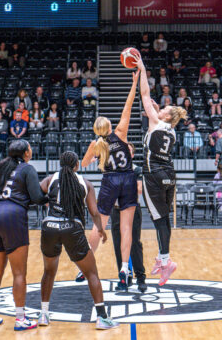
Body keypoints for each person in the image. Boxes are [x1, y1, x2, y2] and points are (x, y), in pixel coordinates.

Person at [37, 151, 118, 330]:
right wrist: (101, 230)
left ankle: (43, 314)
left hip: (49, 227)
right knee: (91, 274)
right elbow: (94, 212)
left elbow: (36, 194)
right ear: (76, 165)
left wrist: (47, 201)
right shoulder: (85, 183)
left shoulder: (50, 180)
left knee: (48, 272)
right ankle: (102, 318)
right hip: (72, 228)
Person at [80, 70, 139, 290]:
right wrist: (134, 83)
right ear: (110, 127)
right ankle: (124, 269)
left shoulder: (97, 145)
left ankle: (85, 267)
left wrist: (90, 149)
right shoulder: (121, 133)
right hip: (128, 179)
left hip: (109, 181)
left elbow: (84, 164)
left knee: (99, 226)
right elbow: (128, 106)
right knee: (126, 228)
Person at [0, 140, 47, 330]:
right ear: (26, 152)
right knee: (19, 272)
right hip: (12, 215)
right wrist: (49, 197)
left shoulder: (1, 166)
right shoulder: (27, 168)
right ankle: (20, 318)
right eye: (30, 148)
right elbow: (37, 198)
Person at [137, 57, 187, 286]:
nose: (162, 107)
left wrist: (142, 69)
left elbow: (145, 96)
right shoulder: (172, 131)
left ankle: (165, 261)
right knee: (164, 218)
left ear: (166, 116)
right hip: (170, 175)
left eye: (165, 108)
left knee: (158, 220)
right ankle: (164, 259)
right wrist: (157, 112)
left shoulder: (156, 122)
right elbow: (156, 113)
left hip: (154, 175)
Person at [109, 144, 146, 292]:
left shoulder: (137, 170)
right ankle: (124, 278)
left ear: (131, 155)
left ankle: (141, 278)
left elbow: (139, 189)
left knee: (135, 244)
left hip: (132, 210)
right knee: (118, 243)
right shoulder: (112, 169)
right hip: (116, 210)